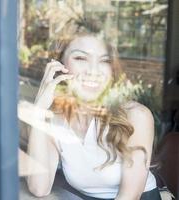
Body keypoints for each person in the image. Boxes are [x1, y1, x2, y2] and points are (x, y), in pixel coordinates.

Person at [26, 32, 161, 200]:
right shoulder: (55, 118)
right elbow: (39, 187)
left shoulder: (136, 116)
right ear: (60, 65)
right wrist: (39, 110)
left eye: (104, 61)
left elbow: (129, 196)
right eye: (81, 58)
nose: (93, 71)